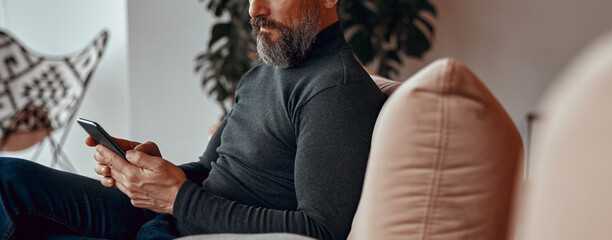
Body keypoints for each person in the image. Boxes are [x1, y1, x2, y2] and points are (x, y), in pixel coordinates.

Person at [0, 0, 386, 239]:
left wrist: (177, 199)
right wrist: (152, 172)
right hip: (167, 216)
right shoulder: (265, 71)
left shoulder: (335, 89)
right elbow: (207, 168)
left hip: (191, 227)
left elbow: (318, 230)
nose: (255, 9)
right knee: (8, 178)